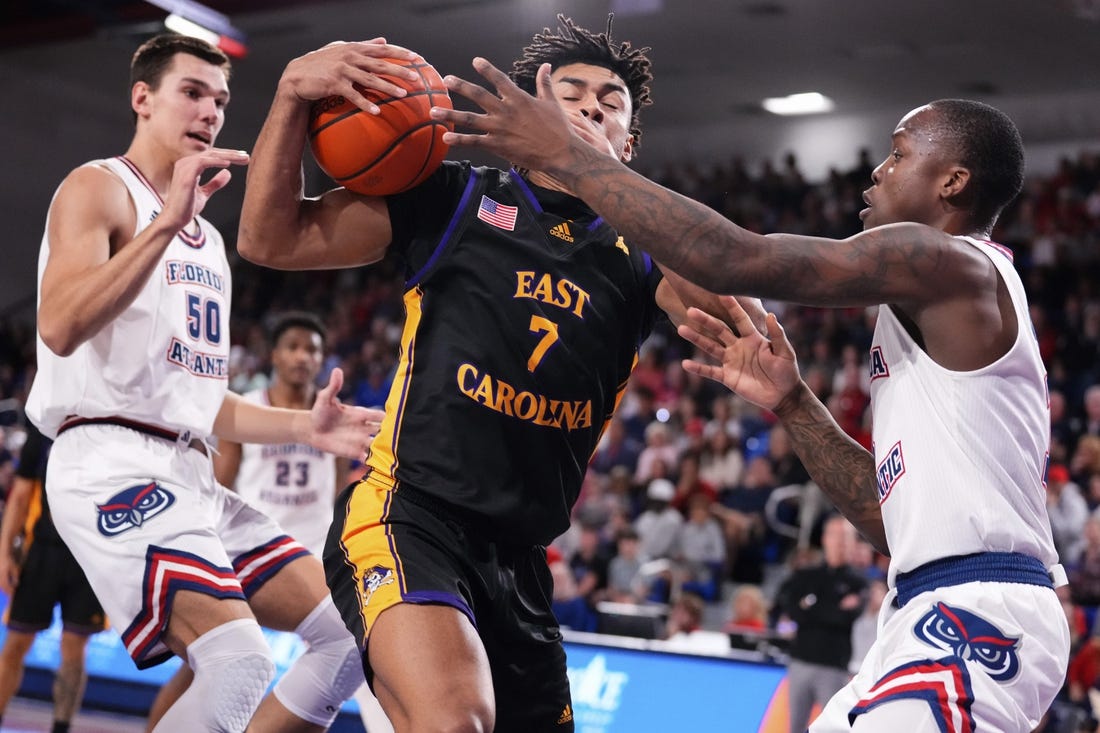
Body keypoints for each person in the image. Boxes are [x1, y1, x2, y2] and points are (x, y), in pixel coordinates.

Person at [435, 66, 1070, 730]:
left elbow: (735, 257)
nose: (876, 172)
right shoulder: (937, 310)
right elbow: (892, 523)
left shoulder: (944, 259)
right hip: (927, 606)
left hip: (983, 615)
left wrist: (570, 157)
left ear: (953, 181)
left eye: (899, 153)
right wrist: (794, 401)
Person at [234, 16, 749, 732]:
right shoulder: (453, 199)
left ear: (628, 145)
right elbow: (269, 236)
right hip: (409, 515)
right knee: (455, 720)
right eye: (571, 93)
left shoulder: (642, 253)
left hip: (522, 559)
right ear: (531, 113)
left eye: (611, 102)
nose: (592, 105)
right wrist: (292, 94)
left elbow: (746, 323)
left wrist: (604, 179)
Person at [23, 34, 384, 732]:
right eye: (192, 92)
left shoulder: (207, 240)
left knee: (348, 634)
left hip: (187, 469)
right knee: (238, 659)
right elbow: (60, 326)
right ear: (143, 99)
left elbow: (198, 400)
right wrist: (163, 226)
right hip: (107, 459)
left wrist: (304, 427)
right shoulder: (98, 187)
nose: (211, 111)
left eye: (220, 99)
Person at [145, 310, 394, 732]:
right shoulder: (249, 411)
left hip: (313, 553)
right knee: (210, 663)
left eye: (311, 350)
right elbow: (221, 483)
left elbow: (336, 491)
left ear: (322, 360)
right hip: (251, 550)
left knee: (359, 651)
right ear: (274, 355)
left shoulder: (328, 412)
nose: (302, 357)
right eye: (293, 347)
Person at [0, 421, 106, 733]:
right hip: (42, 549)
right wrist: (5, 552)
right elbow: (20, 495)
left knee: (74, 647)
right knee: (16, 643)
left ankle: (61, 727)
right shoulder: (43, 426)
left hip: (88, 555)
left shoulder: (109, 428)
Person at [772, 514, 866, 733]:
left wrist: (811, 609)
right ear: (824, 539)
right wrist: (832, 609)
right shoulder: (806, 575)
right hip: (800, 662)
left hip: (833, 666)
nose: (840, 541)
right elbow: (791, 609)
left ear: (853, 542)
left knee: (835, 728)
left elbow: (847, 617)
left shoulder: (858, 581)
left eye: (845, 536)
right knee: (794, 726)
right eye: (835, 535)